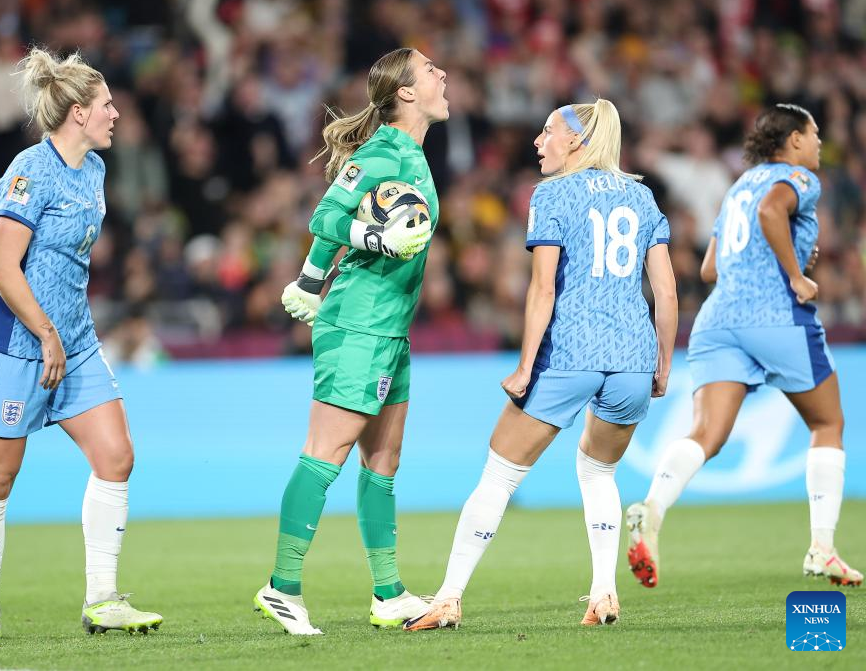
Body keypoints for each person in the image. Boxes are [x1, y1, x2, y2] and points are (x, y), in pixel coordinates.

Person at [405, 99, 678, 631]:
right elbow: (666, 291)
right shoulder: (642, 197)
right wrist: (663, 364)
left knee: (499, 477)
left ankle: (449, 597)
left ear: (576, 141)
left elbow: (543, 288)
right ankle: (603, 593)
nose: (537, 140)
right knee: (599, 470)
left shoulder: (552, 194)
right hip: (632, 359)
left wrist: (527, 365)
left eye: (548, 131)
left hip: (570, 354)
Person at [0, 48, 163, 642]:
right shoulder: (29, 171)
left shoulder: (95, 171)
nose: (115, 113)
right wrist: (44, 332)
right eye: (105, 105)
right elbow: (3, 266)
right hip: (16, 344)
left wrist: (65, 330)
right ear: (78, 113)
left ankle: (102, 599)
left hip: (73, 340)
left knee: (117, 456)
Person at [625, 104, 862, 589]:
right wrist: (795, 273)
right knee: (827, 422)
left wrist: (787, 250)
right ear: (793, 140)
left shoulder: (738, 186)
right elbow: (773, 210)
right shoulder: (798, 178)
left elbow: (711, 267)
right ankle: (822, 547)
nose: (820, 143)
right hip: (774, 316)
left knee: (706, 433)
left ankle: (652, 509)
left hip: (718, 320)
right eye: (814, 134)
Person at [254, 47, 448, 635]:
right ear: (407, 93)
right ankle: (282, 586)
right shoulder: (384, 150)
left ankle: (388, 593)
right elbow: (326, 215)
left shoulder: (410, 153)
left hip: (391, 327)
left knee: (383, 460)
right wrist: (369, 244)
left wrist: (311, 279)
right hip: (358, 324)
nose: (443, 75)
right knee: (325, 452)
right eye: (431, 70)